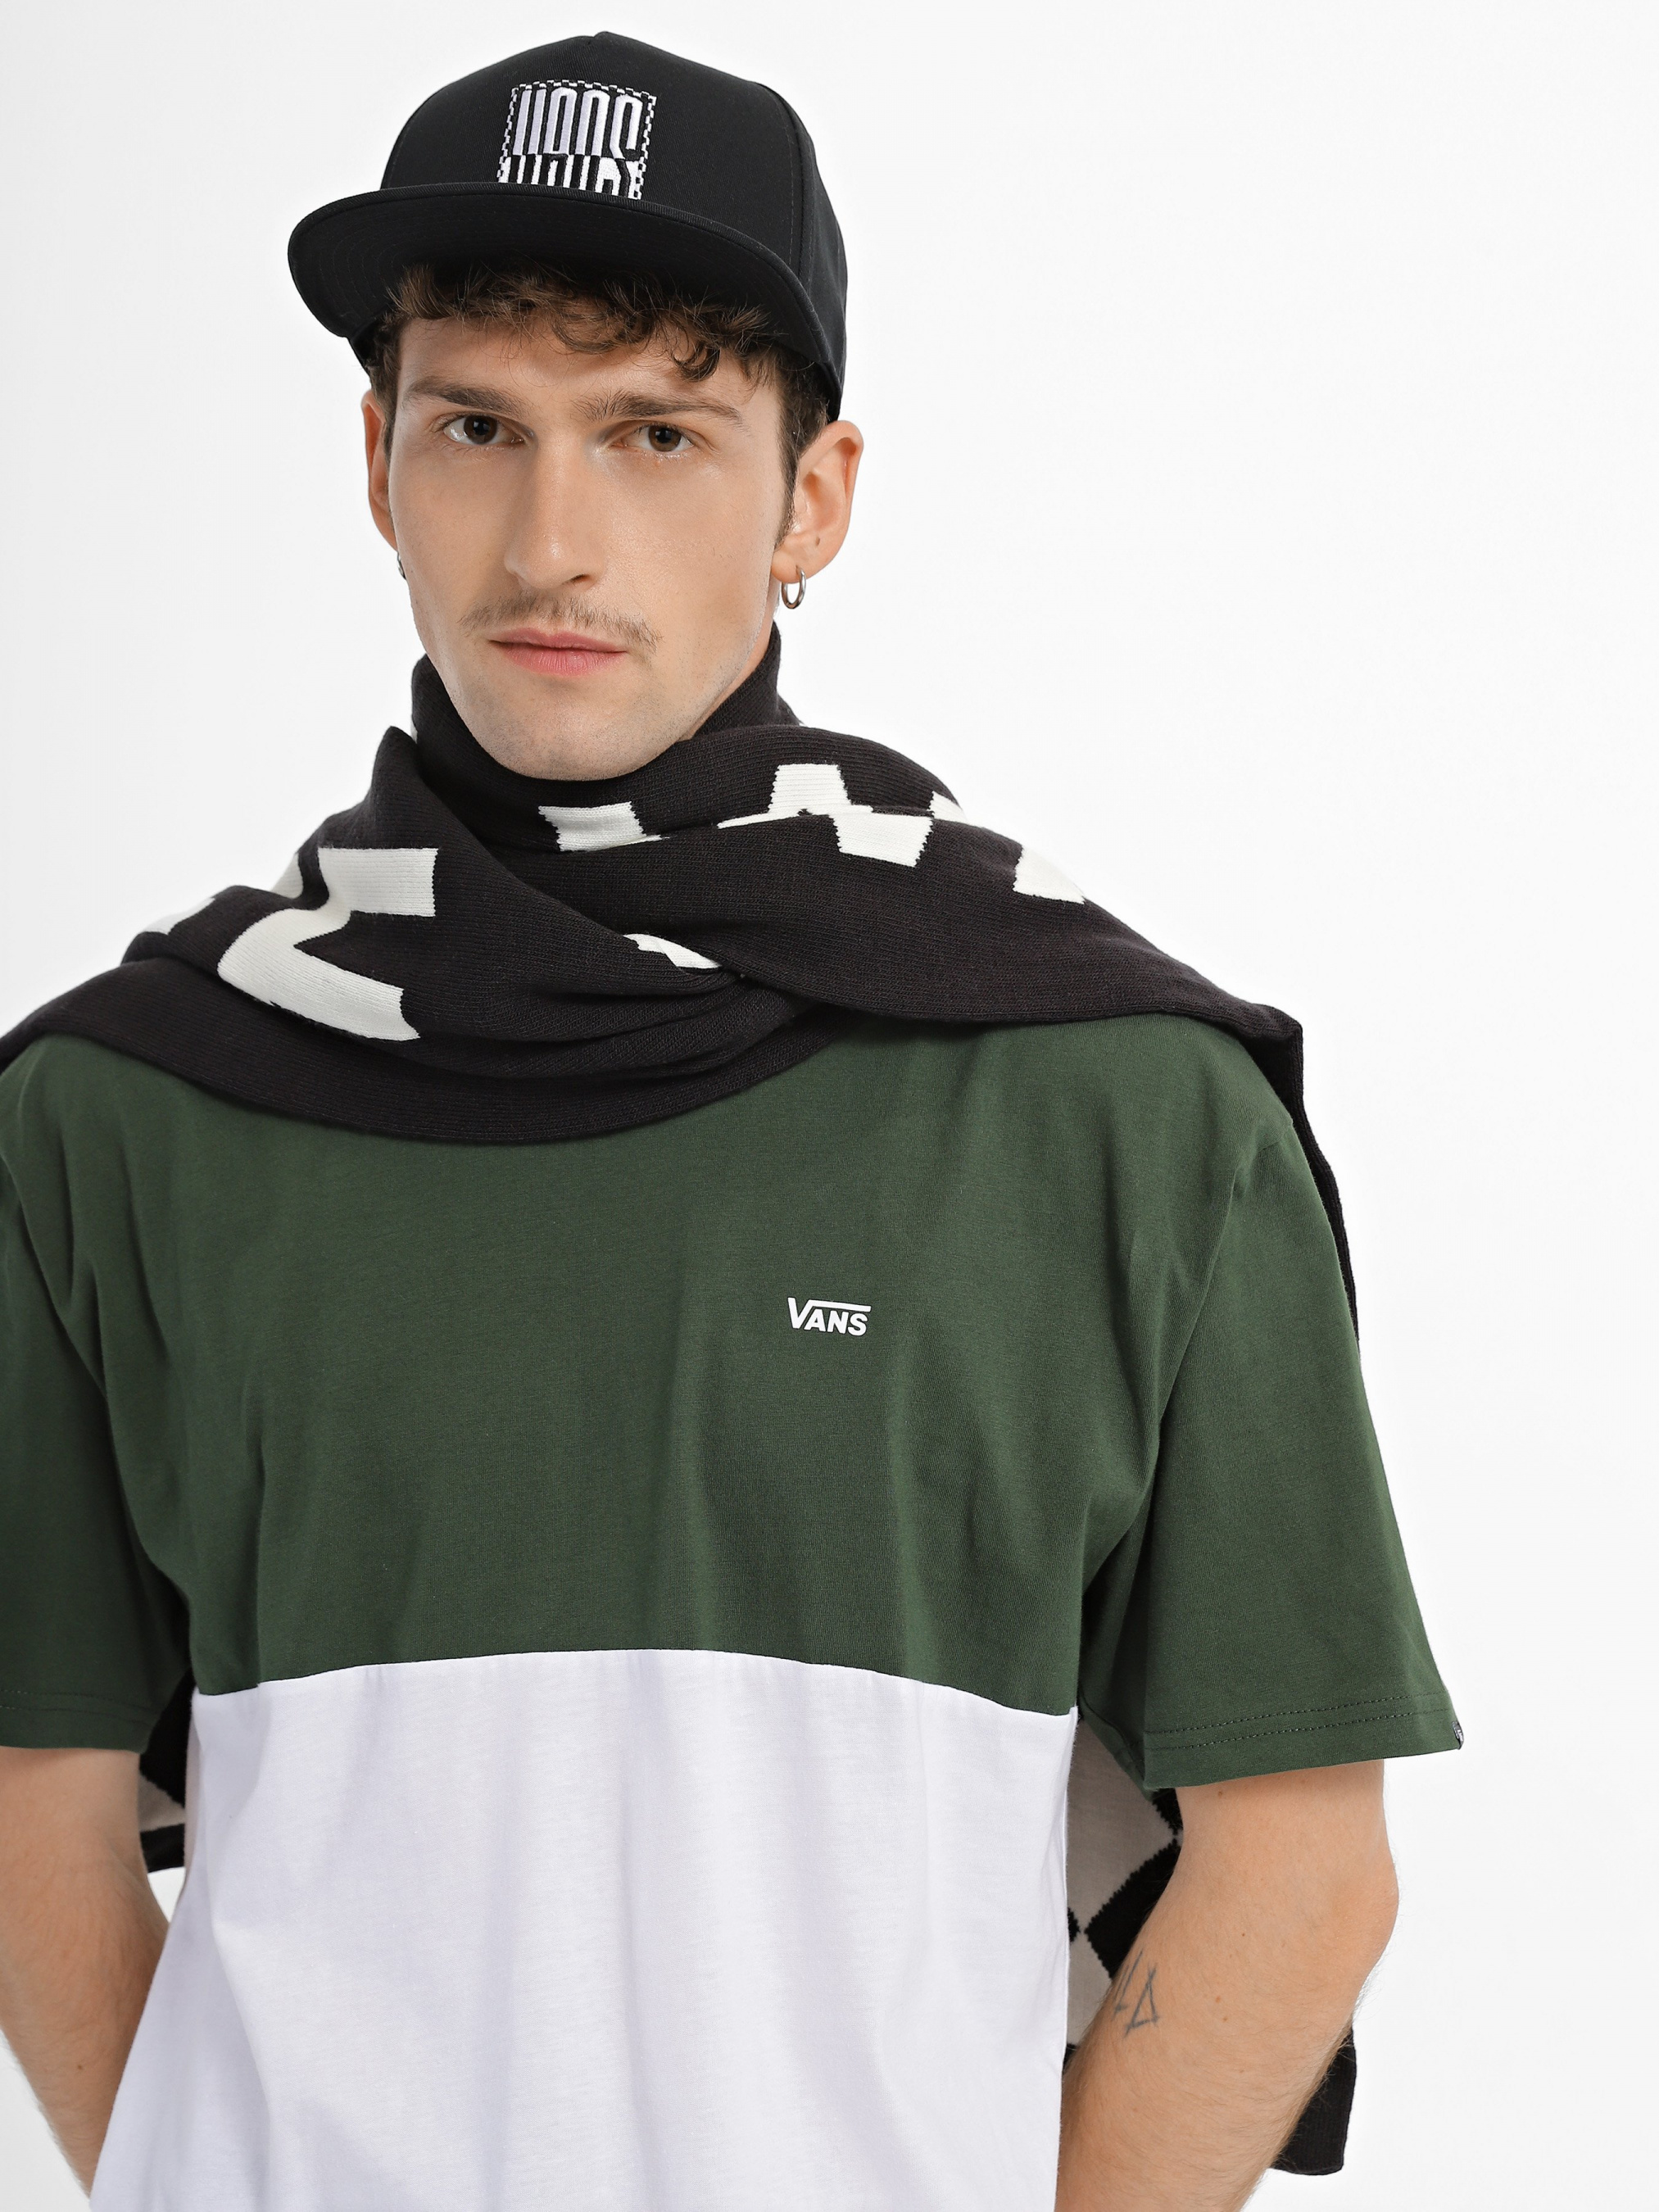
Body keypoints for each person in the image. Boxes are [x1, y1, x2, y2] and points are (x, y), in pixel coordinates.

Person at [0, 31, 1459, 2211]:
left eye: (656, 435)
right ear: (378, 463)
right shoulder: (126, 1108)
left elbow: (1303, 1862)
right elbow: (32, 1797)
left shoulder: (1122, 1105)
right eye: (476, 425)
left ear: (812, 499)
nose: (549, 540)